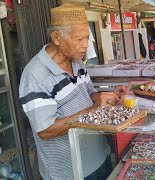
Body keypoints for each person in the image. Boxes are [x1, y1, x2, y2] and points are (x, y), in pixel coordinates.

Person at [19, 4, 124, 180]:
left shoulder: (77, 62)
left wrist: (107, 97)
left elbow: (90, 95)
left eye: (87, 38)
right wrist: (92, 110)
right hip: (71, 172)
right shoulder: (35, 76)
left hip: (100, 157)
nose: (85, 45)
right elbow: (46, 130)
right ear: (57, 37)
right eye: (79, 39)